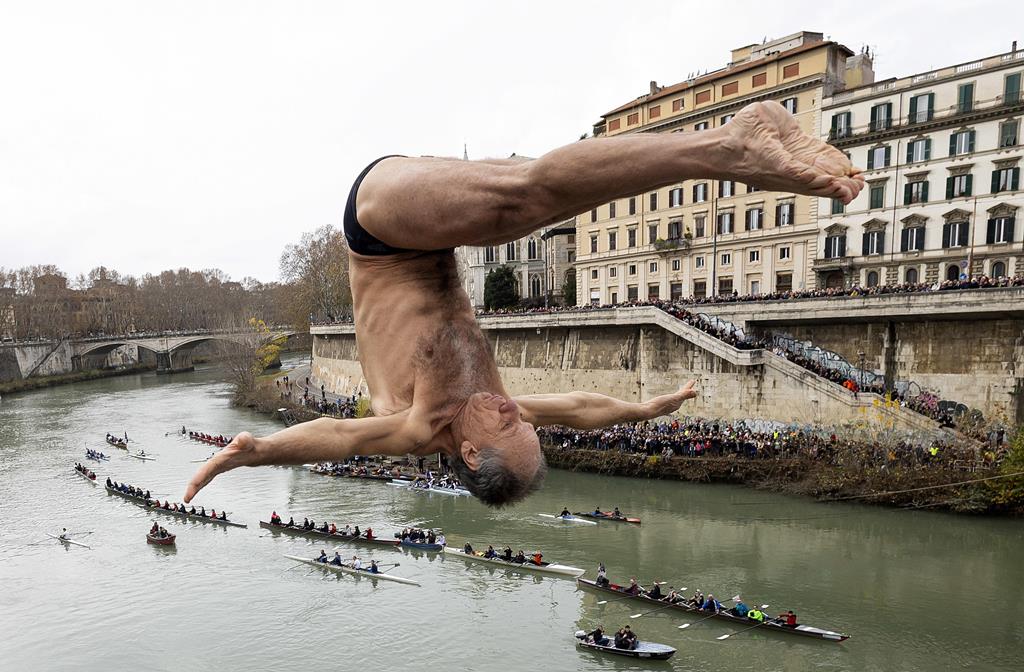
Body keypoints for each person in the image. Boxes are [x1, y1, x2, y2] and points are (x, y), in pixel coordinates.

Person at [181, 98, 870, 507]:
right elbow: (581, 407)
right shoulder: (492, 411)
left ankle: (732, 145)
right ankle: (731, 145)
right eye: (523, 420)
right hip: (432, 230)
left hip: (379, 231)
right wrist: (646, 408)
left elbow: (337, 437)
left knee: (522, 201)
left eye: (510, 420)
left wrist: (258, 450)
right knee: (536, 197)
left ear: (469, 448)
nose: (515, 406)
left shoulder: (415, 426)